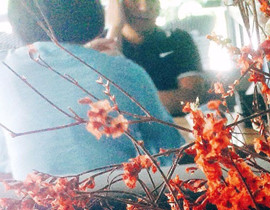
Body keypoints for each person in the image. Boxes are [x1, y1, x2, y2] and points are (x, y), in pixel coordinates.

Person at [0, 0, 184, 180]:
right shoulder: (125, 71)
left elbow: (6, 164)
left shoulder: (5, 72)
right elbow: (171, 149)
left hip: (31, 198)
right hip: (120, 197)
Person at [113, 0, 206, 116]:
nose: (144, 7)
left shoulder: (178, 39)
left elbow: (192, 98)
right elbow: (100, 104)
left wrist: (125, 101)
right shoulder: (98, 44)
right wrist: (114, 28)